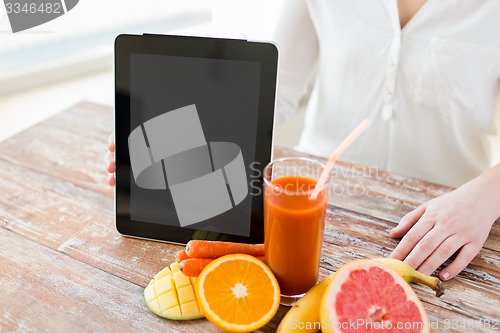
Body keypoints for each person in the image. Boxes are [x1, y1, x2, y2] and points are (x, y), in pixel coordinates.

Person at [105, 0, 500, 281]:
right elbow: (276, 89)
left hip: (445, 218)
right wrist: (175, 142)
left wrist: (485, 197)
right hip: (317, 199)